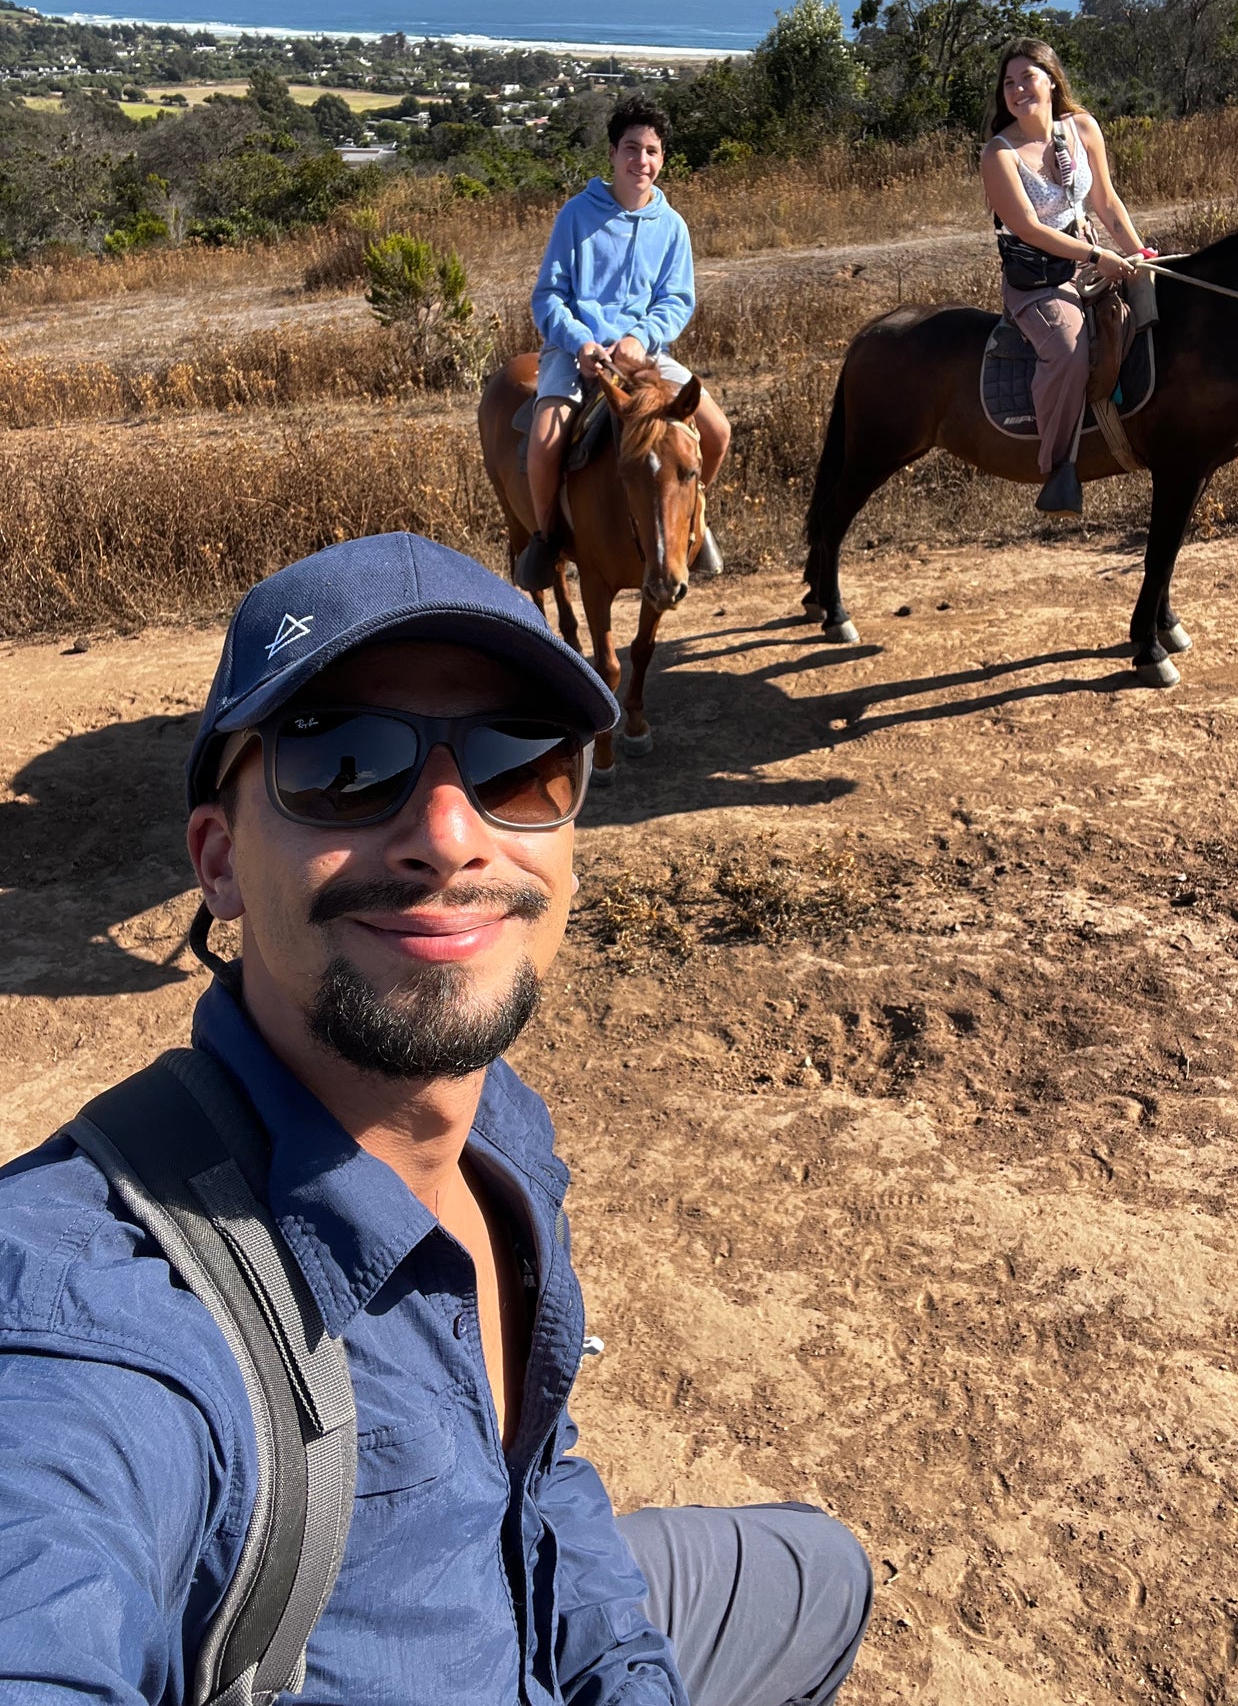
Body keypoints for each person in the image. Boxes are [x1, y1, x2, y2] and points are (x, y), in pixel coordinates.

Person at [0, 532, 872, 1706]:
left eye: (520, 762)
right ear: (217, 861)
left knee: (818, 1570)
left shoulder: (499, 1132)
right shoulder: (93, 1318)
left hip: (517, 1606)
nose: (451, 836)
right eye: (346, 763)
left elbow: (537, 1470)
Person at [517, 95, 730, 591]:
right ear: (612, 153)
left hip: (646, 355)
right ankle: (546, 539)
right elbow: (548, 295)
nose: (642, 161)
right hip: (577, 354)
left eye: (652, 151)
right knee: (546, 443)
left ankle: (689, 522)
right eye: (632, 148)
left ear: (662, 159)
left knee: (717, 434)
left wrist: (641, 337)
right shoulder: (576, 214)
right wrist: (581, 343)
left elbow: (678, 300)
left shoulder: (672, 226)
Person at [980, 37, 1151, 517]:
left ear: (1051, 80)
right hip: (1039, 282)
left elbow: (1107, 202)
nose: (1016, 90)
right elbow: (1029, 229)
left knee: (1158, 307)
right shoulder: (1000, 154)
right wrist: (1098, 256)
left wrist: (1138, 252)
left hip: (1090, 258)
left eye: (1026, 78)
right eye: (1008, 83)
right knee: (1068, 351)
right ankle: (1058, 469)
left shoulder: (1082, 127)